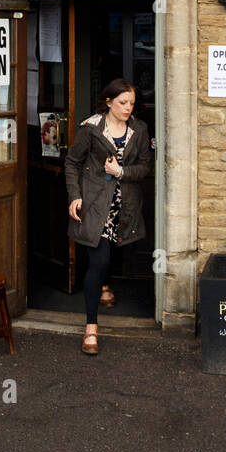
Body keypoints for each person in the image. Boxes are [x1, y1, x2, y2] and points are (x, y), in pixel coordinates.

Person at [65, 78, 152, 354]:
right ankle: (91, 327)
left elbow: (144, 168)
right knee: (99, 257)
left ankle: (105, 285)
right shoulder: (91, 129)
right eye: (122, 103)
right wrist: (74, 195)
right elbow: (72, 162)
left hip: (124, 207)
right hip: (94, 203)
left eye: (132, 104)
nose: (128, 108)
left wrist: (122, 173)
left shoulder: (139, 129)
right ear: (109, 103)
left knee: (113, 252)